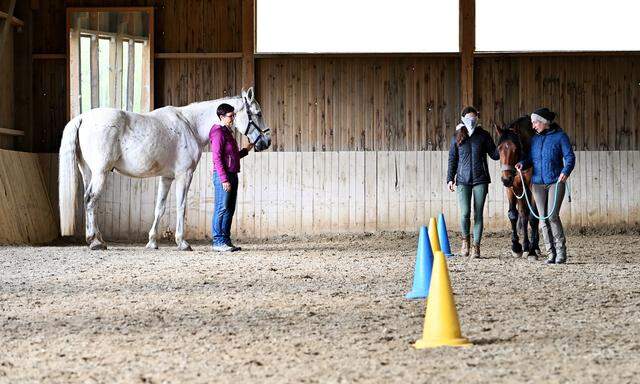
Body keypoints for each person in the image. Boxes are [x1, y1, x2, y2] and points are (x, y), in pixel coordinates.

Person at [516, 108, 575, 264]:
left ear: (544, 122)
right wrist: (522, 163)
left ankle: (561, 252)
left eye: (535, 122)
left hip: (556, 181)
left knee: (552, 216)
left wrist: (566, 171)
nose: (533, 126)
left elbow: (570, 157)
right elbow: (530, 158)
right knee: (542, 219)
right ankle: (551, 253)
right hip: (537, 184)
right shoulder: (535, 140)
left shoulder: (560, 137)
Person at [447, 106, 499, 258]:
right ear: (463, 119)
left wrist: (503, 144)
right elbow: (452, 159)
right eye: (469, 118)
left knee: (478, 214)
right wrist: (450, 178)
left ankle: (476, 246)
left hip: (480, 179)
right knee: (464, 213)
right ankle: (465, 242)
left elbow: (494, 154)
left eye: (474, 118)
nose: (472, 121)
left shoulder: (484, 135)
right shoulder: (457, 136)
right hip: (462, 180)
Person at [210, 103, 254, 252]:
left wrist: (245, 151)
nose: (233, 118)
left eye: (233, 115)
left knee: (229, 208)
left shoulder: (227, 132)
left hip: (232, 174)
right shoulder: (218, 133)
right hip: (224, 175)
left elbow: (231, 156)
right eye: (230, 116)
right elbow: (216, 158)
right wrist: (224, 179)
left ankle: (226, 240)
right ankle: (218, 241)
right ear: (222, 117)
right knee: (221, 208)